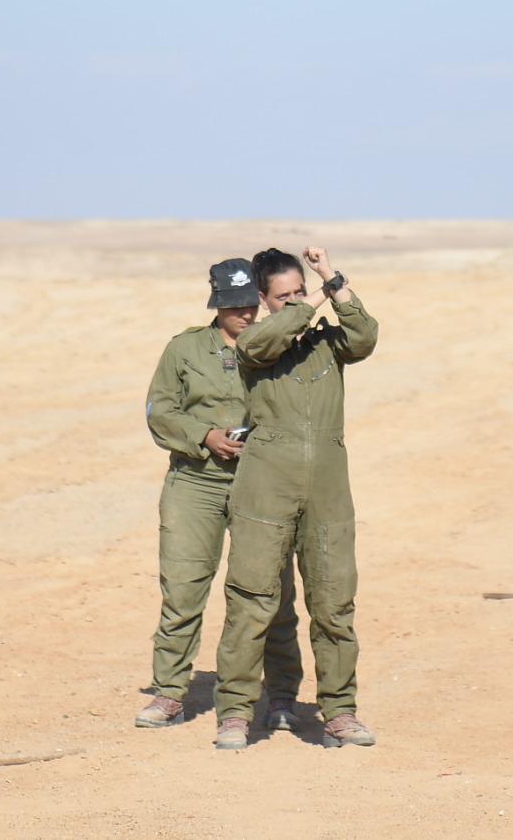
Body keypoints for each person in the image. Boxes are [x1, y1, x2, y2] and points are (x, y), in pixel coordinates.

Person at [211, 246, 379, 750]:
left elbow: (365, 336)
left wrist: (332, 278)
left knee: (333, 602)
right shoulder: (255, 342)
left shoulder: (327, 343)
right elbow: (262, 343)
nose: (296, 301)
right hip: (267, 485)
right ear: (262, 300)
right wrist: (310, 304)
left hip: (327, 489)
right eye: (283, 296)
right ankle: (235, 712)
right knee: (253, 600)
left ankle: (340, 712)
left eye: (300, 291)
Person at [134, 257, 304, 731]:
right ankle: (169, 693)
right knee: (183, 589)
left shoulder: (277, 345)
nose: (244, 314)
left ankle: (282, 697)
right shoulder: (184, 349)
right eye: (233, 306)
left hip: (262, 485)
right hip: (195, 483)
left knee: (272, 594)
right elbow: (159, 411)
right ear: (216, 305)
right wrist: (204, 435)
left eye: (250, 304)